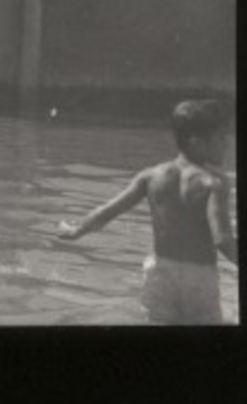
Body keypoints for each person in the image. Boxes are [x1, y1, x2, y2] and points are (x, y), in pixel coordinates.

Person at [60, 99, 237, 324]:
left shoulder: (151, 176)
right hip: (199, 276)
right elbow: (222, 239)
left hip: (160, 271)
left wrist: (76, 231)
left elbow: (107, 212)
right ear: (197, 143)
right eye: (221, 138)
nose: (227, 144)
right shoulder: (214, 182)